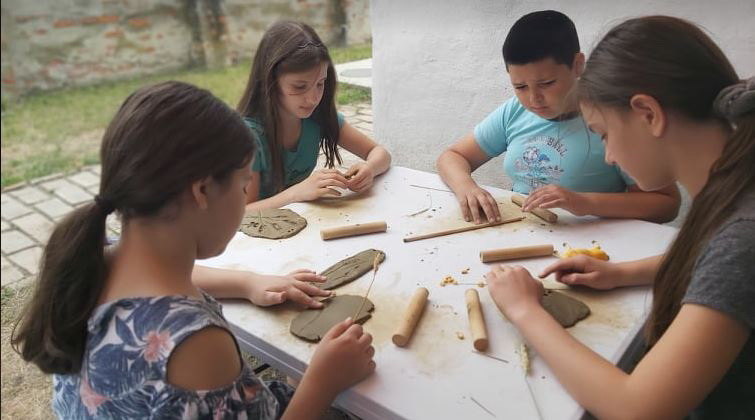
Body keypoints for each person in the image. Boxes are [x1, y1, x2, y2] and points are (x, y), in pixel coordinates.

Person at [12, 81, 375, 418]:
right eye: (242, 183)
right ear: (202, 192)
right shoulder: (194, 343)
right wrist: (322, 380)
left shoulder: (96, 256)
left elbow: (181, 276)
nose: (245, 195)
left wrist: (247, 283)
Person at [486, 16, 754, 419]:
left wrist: (525, 310)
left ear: (647, 113)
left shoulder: (743, 232)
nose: (609, 155)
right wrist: (622, 273)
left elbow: (635, 408)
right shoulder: (736, 184)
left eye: (605, 134)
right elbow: (713, 264)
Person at [437, 10, 680, 224]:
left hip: (591, 243)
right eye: (520, 87)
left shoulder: (610, 118)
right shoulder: (515, 111)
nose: (534, 99)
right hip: (522, 229)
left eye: (547, 83)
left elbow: (666, 204)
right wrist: (466, 187)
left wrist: (585, 203)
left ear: (578, 65)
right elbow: (453, 156)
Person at [238, 21, 391, 210]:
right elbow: (240, 214)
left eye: (320, 83)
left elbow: (381, 154)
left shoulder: (318, 117)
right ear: (270, 81)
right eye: (299, 86)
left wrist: (370, 169)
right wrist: (296, 193)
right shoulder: (248, 136)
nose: (313, 98)